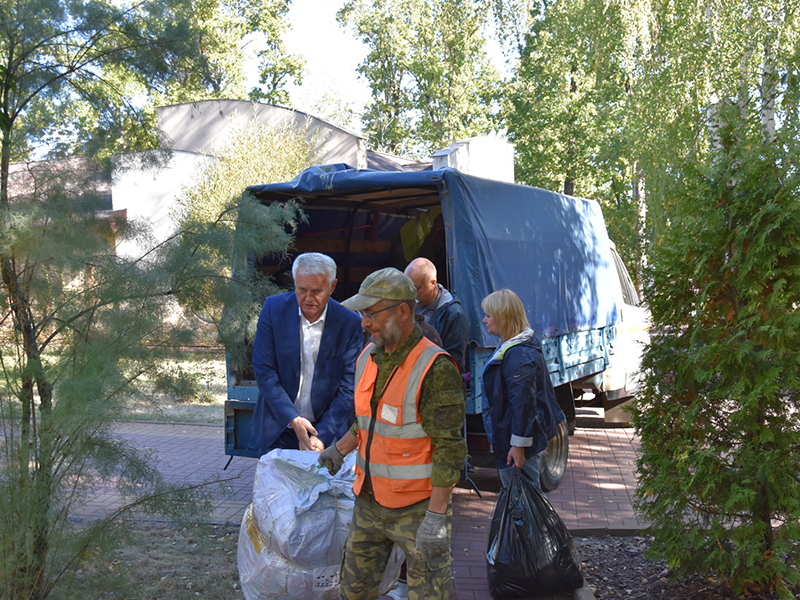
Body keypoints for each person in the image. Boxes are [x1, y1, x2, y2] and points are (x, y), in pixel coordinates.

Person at [318, 267, 467, 600]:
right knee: (353, 592)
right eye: (362, 313)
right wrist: (340, 449)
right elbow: (369, 421)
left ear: (403, 311)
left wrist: (436, 517)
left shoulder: (435, 368)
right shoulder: (367, 359)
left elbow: (449, 448)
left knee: (429, 595)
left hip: (418, 509)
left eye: (372, 313)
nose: (364, 323)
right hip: (369, 500)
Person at [251, 252, 364, 454]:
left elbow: (349, 387)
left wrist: (321, 436)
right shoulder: (273, 309)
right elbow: (264, 371)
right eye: (301, 290)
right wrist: (293, 419)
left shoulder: (350, 324)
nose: (308, 298)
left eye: (317, 291)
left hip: (325, 434)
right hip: (279, 428)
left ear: (332, 286)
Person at [480, 289, 565, 489]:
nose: (484, 320)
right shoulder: (516, 348)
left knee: (524, 504)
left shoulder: (518, 355)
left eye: (489, 315)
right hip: (512, 440)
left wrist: (518, 446)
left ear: (504, 318)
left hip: (515, 445)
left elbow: (523, 403)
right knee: (524, 502)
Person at [403, 257, 469, 374]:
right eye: (407, 288)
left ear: (433, 283)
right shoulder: (407, 306)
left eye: (416, 288)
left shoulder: (454, 315)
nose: (411, 294)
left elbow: (452, 363)